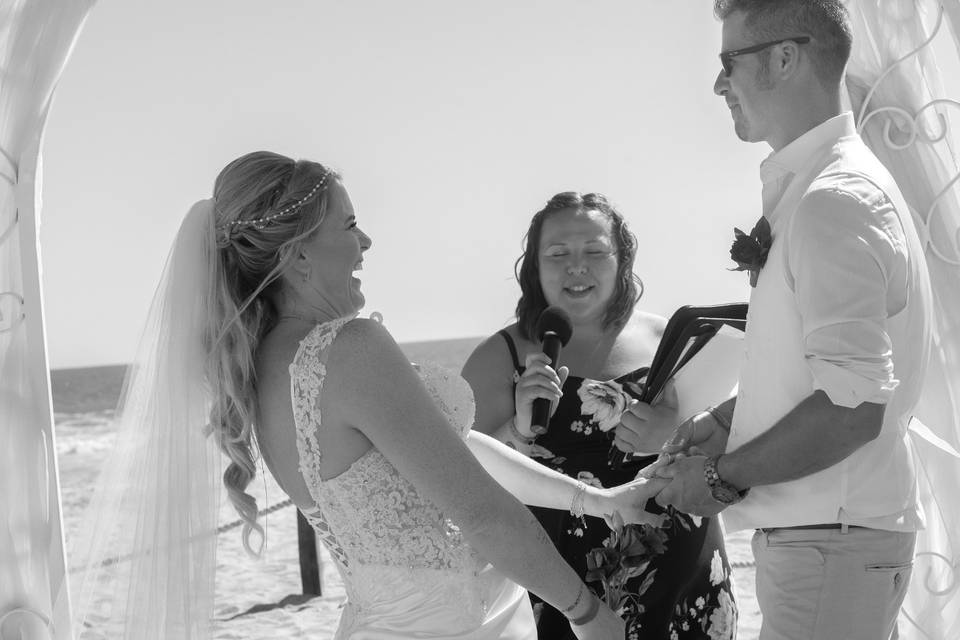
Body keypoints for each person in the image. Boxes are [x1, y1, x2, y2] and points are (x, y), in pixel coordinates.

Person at [71, 151, 673, 640]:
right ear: (298, 252)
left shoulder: (259, 366)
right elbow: (481, 511)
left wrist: (599, 502)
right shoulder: (350, 348)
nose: (366, 243)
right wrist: (588, 614)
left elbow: (454, 455)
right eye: (349, 224)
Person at [653, 2, 934, 640]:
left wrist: (721, 479)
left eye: (729, 63)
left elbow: (852, 407)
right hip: (830, 541)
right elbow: (826, 375)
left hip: (830, 546)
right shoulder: (823, 190)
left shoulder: (834, 200)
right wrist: (728, 421)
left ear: (785, 57)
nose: (719, 84)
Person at [462, 191, 738, 640]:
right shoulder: (499, 356)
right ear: (534, 267)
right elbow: (459, 478)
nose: (577, 265)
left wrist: (674, 433)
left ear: (622, 259)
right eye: (558, 253)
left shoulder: (670, 336)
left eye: (595, 251)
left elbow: (724, 439)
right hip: (567, 590)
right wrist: (515, 429)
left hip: (686, 579)